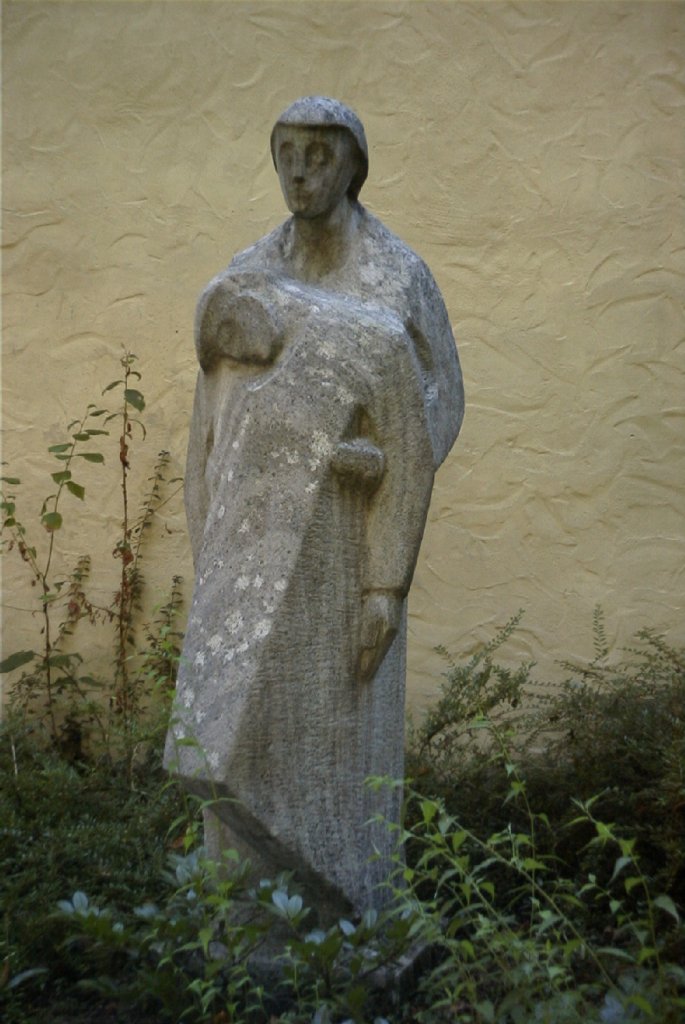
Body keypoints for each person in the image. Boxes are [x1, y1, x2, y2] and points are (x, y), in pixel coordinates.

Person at [165, 97, 464, 919]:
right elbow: (211, 420)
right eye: (287, 154)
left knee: (340, 728)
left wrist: (384, 463)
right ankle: (250, 916)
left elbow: (437, 394)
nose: (299, 172)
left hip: (350, 533)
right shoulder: (248, 276)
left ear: (352, 167)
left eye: (319, 156)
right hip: (256, 544)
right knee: (245, 734)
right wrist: (214, 543)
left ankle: (348, 903)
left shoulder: (396, 276)